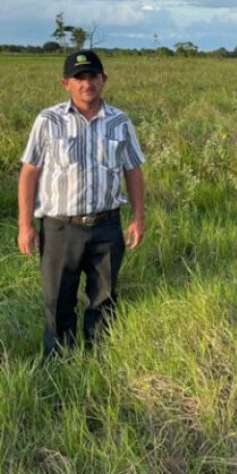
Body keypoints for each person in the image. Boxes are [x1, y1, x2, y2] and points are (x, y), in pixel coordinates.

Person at [18, 49, 146, 357]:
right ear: (66, 83)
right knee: (59, 298)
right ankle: (60, 362)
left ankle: (98, 356)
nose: (86, 83)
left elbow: (133, 170)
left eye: (92, 76)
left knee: (103, 298)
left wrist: (138, 217)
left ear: (104, 80)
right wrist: (25, 225)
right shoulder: (48, 121)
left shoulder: (120, 121)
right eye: (79, 78)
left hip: (107, 226)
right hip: (61, 227)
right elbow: (29, 173)